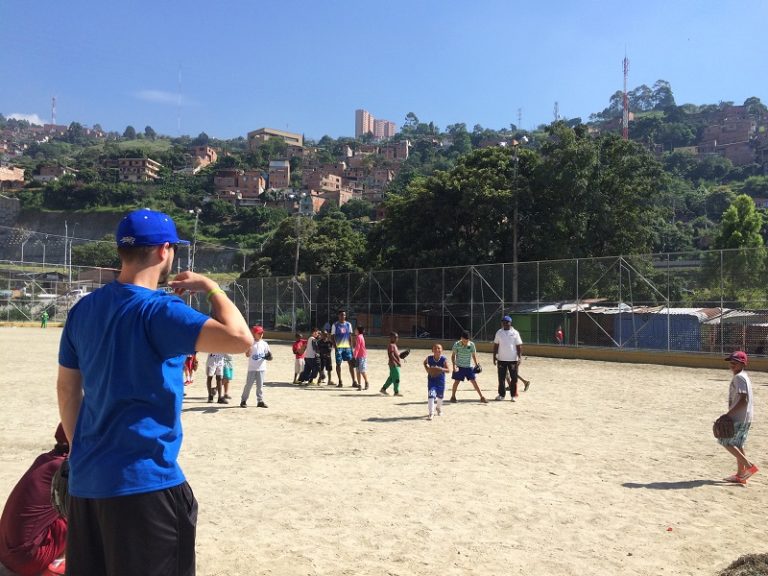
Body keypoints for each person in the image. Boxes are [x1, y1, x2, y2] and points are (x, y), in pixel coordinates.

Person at [56, 208, 252, 576]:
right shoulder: (159, 310)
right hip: (145, 485)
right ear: (165, 251)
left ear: (121, 252)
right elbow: (241, 339)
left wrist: (82, 452)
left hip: (87, 484)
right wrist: (211, 287)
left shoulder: (82, 310)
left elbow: (67, 391)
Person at [0, 424, 68, 576]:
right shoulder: (65, 468)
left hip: (6, 552)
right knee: (86, 513)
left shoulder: (46, 460)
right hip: (27, 559)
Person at [719, 351, 759, 484]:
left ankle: (748, 466)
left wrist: (727, 415)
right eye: (731, 362)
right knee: (738, 444)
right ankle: (741, 475)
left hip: (738, 417)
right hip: (746, 416)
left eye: (735, 363)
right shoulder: (744, 376)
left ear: (743, 364)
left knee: (725, 441)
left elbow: (743, 400)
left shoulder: (739, 378)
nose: (732, 365)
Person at [449, 330, 487, 403]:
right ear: (461, 338)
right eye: (464, 340)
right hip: (459, 366)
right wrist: (454, 366)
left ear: (469, 339)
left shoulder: (471, 345)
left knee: (474, 381)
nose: (465, 342)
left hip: (469, 366)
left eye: (467, 341)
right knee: (456, 381)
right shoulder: (456, 344)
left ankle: (482, 397)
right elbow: (453, 356)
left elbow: (473, 355)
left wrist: (477, 364)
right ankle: (453, 397)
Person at [493, 315, 523, 402]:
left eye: (507, 322)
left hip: (513, 359)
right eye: (503, 322)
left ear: (510, 323)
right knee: (501, 378)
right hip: (501, 359)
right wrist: (494, 357)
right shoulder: (499, 332)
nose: (505, 324)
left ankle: (513, 395)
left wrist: (520, 357)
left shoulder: (515, 333)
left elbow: (519, 346)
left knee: (514, 378)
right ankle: (501, 395)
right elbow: (495, 345)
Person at [241, 325, 272, 408]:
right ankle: (243, 400)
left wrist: (268, 357)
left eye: (262, 333)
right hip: (252, 368)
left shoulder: (264, 344)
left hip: (261, 368)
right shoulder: (250, 343)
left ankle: (260, 401)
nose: (261, 334)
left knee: (260, 386)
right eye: (259, 333)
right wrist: (248, 352)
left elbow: (269, 355)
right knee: (248, 385)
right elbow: (247, 355)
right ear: (254, 333)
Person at [424, 344, 450, 420]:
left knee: (440, 397)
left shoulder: (443, 359)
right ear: (432, 350)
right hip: (432, 380)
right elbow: (424, 363)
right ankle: (431, 413)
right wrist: (427, 369)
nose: (437, 349)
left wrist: (440, 369)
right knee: (431, 395)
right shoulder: (429, 358)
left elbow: (448, 370)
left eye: (439, 348)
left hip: (440, 381)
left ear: (442, 350)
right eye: (435, 348)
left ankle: (438, 408)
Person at [331, 310, 355, 388]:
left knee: (351, 364)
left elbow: (350, 336)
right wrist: (335, 347)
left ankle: (354, 381)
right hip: (339, 348)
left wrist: (351, 348)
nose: (343, 316)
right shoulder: (335, 325)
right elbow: (332, 337)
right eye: (341, 315)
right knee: (338, 364)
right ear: (338, 316)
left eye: (344, 315)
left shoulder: (348, 324)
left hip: (347, 347)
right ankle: (340, 381)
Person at [380, 332, 403, 396]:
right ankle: (396, 392)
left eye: (397, 337)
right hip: (393, 364)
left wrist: (401, 355)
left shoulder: (394, 345)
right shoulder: (391, 345)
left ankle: (383, 389)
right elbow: (392, 355)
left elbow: (396, 354)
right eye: (395, 337)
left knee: (391, 378)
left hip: (394, 364)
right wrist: (398, 362)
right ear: (391, 338)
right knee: (397, 378)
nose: (396, 338)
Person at [353, 325, 369, 390]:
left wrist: (354, 356)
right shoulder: (359, 337)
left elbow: (357, 347)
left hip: (361, 356)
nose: (355, 331)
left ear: (359, 331)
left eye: (356, 329)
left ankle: (366, 382)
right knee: (358, 370)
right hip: (358, 356)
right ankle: (359, 385)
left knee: (362, 370)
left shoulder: (359, 337)